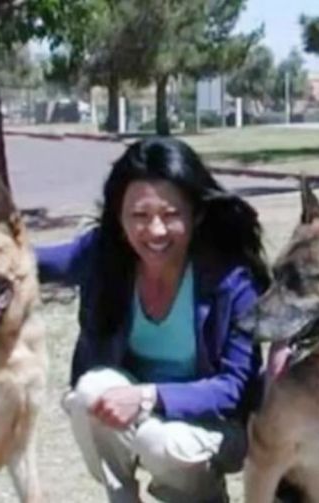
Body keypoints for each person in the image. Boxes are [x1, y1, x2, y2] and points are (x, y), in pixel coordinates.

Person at [36, 137, 269, 503]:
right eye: (139, 216)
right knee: (90, 393)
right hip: (142, 416)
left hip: (216, 427)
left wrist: (148, 397)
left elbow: (235, 387)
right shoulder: (106, 253)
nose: (155, 231)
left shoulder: (230, 278)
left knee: (158, 442)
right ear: (119, 217)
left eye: (171, 215)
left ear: (196, 213)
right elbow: (34, 262)